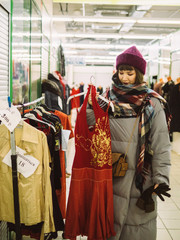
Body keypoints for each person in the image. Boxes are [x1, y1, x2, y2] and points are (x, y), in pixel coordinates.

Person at [87, 46, 171, 240]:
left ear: (139, 73)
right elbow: (92, 129)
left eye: (130, 73)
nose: (124, 77)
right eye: (121, 72)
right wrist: (90, 108)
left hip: (141, 179)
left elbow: (161, 143)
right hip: (111, 173)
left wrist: (161, 178)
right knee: (110, 226)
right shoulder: (106, 98)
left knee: (136, 229)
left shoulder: (152, 102)